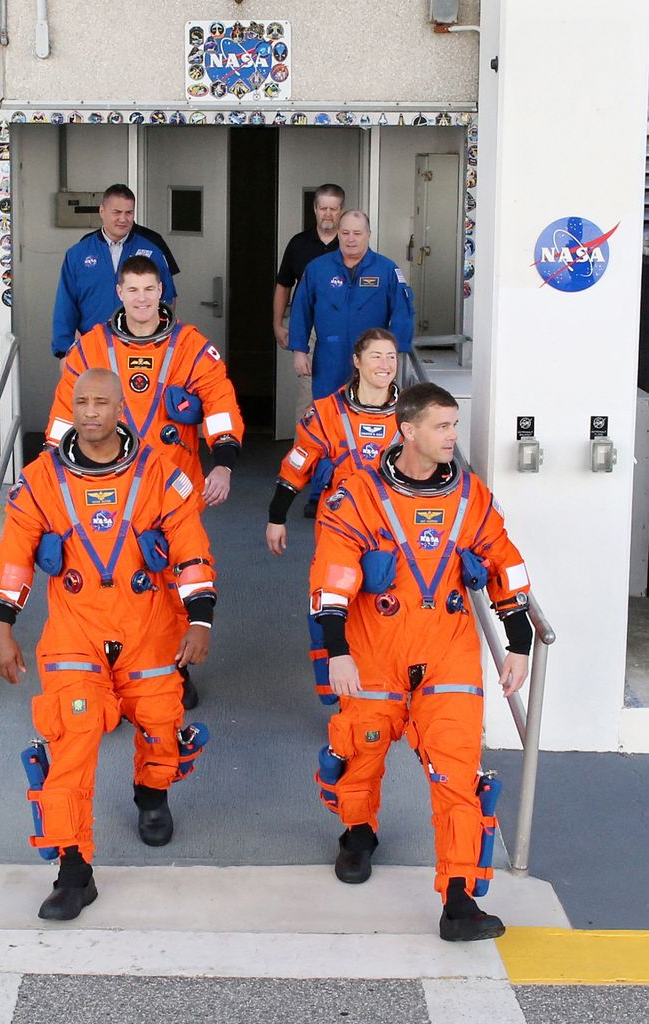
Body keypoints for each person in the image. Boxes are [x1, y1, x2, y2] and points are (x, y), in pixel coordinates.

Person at [0, 369, 216, 922]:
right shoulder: (41, 480)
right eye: (81, 402)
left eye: (101, 403)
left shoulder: (160, 474)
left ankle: (152, 794)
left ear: (120, 410)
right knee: (72, 738)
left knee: (162, 725)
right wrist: (1, 627)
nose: (90, 411)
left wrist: (200, 620)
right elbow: (15, 555)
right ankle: (74, 872)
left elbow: (190, 549)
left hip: (148, 630)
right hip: (76, 632)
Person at [309, 382, 532, 942]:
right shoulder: (358, 496)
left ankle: (458, 900)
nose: (453, 436)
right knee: (359, 752)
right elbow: (332, 575)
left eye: (454, 425)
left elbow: (504, 560)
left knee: (458, 775)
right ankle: (358, 833)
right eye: (442, 426)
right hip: (374, 652)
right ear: (407, 430)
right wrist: (337, 651)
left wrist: (519, 639)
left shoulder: (472, 497)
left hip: (447, 653)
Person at [46, 254, 244, 709]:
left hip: (171, 487)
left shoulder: (191, 347)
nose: (141, 299)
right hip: (105, 485)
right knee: (111, 579)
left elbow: (219, 403)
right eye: (132, 290)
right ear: (119, 293)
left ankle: (175, 670)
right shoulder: (91, 349)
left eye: (149, 290)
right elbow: (63, 415)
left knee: (173, 578)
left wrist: (224, 462)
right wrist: (50, 478)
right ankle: (112, 674)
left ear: (162, 294)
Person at [266, 329, 399, 703]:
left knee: (385, 603)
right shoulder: (327, 411)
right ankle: (332, 688)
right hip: (338, 528)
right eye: (375, 356)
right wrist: (277, 516)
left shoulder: (411, 413)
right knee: (328, 599)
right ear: (357, 361)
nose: (385, 365)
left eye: (391, 357)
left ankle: (377, 687)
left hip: (392, 529)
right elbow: (296, 466)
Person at [288, 210, 415, 403]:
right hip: (329, 359)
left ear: (368, 234)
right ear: (338, 234)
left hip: (371, 360)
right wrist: (299, 351)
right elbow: (301, 311)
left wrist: (392, 354)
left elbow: (403, 313)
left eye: (357, 233)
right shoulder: (318, 268)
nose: (351, 239)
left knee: (370, 411)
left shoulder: (386, 269)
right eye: (345, 233)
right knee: (328, 411)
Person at [51, 184, 179, 359]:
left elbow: (168, 300)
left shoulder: (152, 250)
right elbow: (65, 305)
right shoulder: (78, 253)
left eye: (129, 213)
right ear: (102, 211)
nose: (123, 219)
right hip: (92, 347)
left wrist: (159, 342)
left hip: (140, 349)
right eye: (116, 212)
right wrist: (64, 351)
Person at [272, 184, 345, 352]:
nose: (328, 214)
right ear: (315, 209)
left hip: (342, 326)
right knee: (306, 369)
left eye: (333, 209)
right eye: (323, 208)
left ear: (341, 210)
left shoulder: (350, 245)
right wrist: (277, 324)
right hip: (306, 324)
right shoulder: (298, 243)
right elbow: (283, 285)